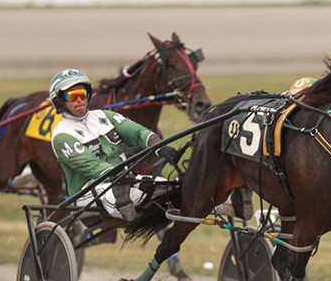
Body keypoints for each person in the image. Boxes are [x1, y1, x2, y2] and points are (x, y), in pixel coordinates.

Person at [48, 68, 248, 222]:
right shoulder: (62, 134)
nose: (80, 100)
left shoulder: (104, 116)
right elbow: (91, 166)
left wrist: (160, 147)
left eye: (82, 94)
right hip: (90, 191)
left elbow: (136, 132)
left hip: (125, 180)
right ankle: (127, 197)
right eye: (72, 97)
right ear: (60, 101)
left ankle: (228, 205)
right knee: (121, 193)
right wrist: (124, 178)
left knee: (174, 188)